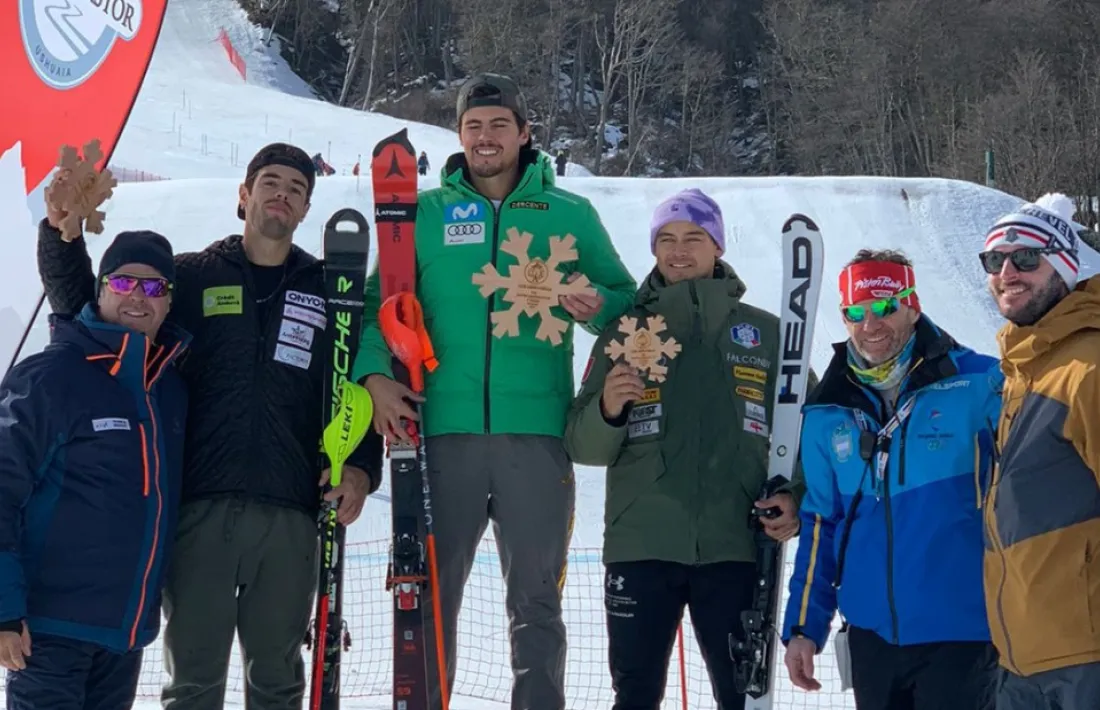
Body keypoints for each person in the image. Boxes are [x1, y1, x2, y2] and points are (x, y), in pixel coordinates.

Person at [36, 143, 384, 709]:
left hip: (293, 514)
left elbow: (354, 382)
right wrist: (61, 239)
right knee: (193, 681)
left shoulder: (327, 288)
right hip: (200, 512)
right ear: (243, 195)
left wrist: (363, 469)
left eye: (296, 189)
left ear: (304, 210)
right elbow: (93, 313)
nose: (282, 194)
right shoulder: (192, 278)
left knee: (278, 680)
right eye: (269, 182)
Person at [351, 72, 637, 709]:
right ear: (458, 134)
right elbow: (379, 306)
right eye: (473, 126)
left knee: (537, 602)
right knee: (428, 595)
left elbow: (624, 304)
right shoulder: (423, 214)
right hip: (441, 431)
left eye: (498, 125)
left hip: (535, 438)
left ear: (524, 133)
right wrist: (375, 381)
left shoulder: (569, 214)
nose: (485, 138)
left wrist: (593, 307)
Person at [564, 189, 803, 710]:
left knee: (741, 697)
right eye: (666, 240)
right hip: (641, 545)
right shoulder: (624, 334)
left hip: (734, 547)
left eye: (693, 237)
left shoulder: (765, 334)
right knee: (634, 696)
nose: (678, 250)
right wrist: (608, 409)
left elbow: (807, 434)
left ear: (717, 245)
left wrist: (797, 499)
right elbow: (582, 445)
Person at [781, 249, 1001, 709]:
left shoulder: (980, 383)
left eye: (884, 307)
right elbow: (821, 523)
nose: (870, 324)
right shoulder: (826, 411)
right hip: (871, 637)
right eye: (855, 312)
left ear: (912, 305)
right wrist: (804, 627)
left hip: (964, 631)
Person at [0, 231, 189, 710]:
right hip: (45, 634)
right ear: (101, 288)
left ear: (168, 304)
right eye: (125, 282)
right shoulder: (53, 374)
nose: (137, 297)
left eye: (154, 288)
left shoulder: (166, 390)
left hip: (122, 638)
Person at [979, 194, 1100, 709]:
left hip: (1083, 660)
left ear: (1065, 267)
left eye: (1028, 258)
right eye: (995, 260)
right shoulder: (1021, 372)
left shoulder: (1087, 369)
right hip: (1021, 655)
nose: (1009, 271)